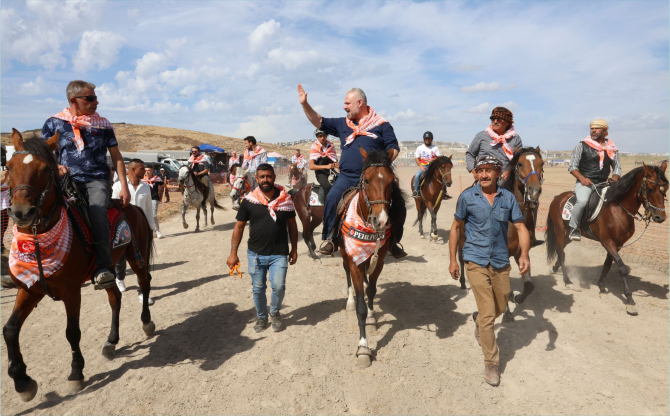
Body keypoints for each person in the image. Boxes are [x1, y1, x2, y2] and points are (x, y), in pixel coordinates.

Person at [297, 84, 407, 258]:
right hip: (347, 176)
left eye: (347, 103)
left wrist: (380, 165)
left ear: (360, 103)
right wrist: (304, 104)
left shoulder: (382, 125)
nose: (344, 106)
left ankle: (394, 242)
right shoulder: (343, 124)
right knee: (332, 197)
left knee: (399, 203)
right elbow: (319, 120)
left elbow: (394, 149)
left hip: (374, 178)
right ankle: (330, 238)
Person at [448, 155, 530, 387]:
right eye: (479, 170)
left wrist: (523, 254)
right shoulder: (467, 197)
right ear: (475, 173)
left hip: (501, 260)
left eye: (488, 170)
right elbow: (455, 229)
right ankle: (491, 362)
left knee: (501, 305)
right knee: (487, 314)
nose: (483, 174)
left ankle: (479, 320)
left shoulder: (509, 198)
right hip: (475, 259)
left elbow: (521, 228)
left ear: (497, 173)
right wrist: (453, 260)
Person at [41, 80, 130, 290]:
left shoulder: (104, 124)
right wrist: (56, 165)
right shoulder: (53, 123)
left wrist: (123, 185)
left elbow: (116, 156)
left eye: (96, 98)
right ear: (74, 100)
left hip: (96, 180)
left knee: (97, 210)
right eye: (90, 98)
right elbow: (44, 154)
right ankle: (29, 262)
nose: (96, 102)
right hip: (64, 181)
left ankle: (102, 267)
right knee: (37, 207)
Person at [227, 164, 298, 333]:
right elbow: (239, 228)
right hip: (256, 254)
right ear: (256, 179)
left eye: (268, 176)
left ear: (273, 177)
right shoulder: (249, 201)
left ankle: (274, 313)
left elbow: (293, 227)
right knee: (258, 288)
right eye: (262, 177)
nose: (265, 180)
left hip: (279, 253)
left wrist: (294, 249)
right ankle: (261, 316)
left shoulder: (285, 199)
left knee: (279, 286)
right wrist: (233, 254)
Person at [567, 119, 621, 241]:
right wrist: (582, 178)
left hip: (604, 183)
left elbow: (617, 167)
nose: (593, 130)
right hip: (586, 183)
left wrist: (615, 177)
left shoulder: (611, 148)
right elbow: (572, 167)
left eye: (597, 128)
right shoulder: (582, 145)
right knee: (582, 201)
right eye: (592, 128)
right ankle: (573, 228)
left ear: (605, 131)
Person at [112, 159, 156, 304]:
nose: (146, 171)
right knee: (121, 257)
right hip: (123, 229)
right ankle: (119, 277)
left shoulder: (146, 187)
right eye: (142, 169)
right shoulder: (118, 186)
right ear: (133, 170)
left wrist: (151, 228)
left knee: (142, 261)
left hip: (141, 230)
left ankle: (142, 291)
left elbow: (149, 209)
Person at [466, 107, 523, 183]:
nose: (495, 121)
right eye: (493, 119)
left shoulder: (515, 138)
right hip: (484, 179)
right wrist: (474, 172)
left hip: (507, 181)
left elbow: (519, 159)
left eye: (499, 119)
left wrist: (508, 171)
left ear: (508, 122)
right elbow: (470, 154)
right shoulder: (481, 136)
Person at [412, 131, 442, 198]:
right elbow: (417, 158)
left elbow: (439, 158)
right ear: (424, 139)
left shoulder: (435, 148)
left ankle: (444, 192)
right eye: (426, 139)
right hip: (424, 166)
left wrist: (433, 159)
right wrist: (421, 166)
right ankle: (416, 191)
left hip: (433, 167)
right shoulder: (420, 148)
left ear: (431, 139)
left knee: (443, 175)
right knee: (417, 175)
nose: (427, 140)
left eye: (429, 138)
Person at [309, 129, 339, 196]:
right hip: (321, 173)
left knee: (343, 182)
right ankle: (327, 205)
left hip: (332, 171)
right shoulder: (314, 146)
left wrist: (337, 165)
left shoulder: (331, 145)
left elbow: (335, 160)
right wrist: (326, 166)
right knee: (328, 187)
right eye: (320, 136)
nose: (323, 138)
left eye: (324, 135)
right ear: (317, 137)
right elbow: (311, 166)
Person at [142, 166, 164, 239]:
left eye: (148, 170)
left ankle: (157, 230)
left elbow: (163, 185)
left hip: (154, 198)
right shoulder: (141, 179)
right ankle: (151, 231)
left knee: (154, 215)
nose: (147, 172)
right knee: (146, 215)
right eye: (145, 170)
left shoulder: (156, 178)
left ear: (152, 171)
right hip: (144, 198)